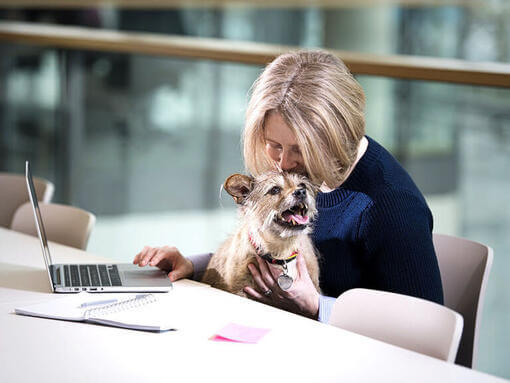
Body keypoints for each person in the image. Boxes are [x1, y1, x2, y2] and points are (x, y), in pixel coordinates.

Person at [133, 50, 444, 323]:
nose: (282, 163)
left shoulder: (393, 206)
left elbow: (426, 330)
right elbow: (274, 258)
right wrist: (193, 266)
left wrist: (318, 306)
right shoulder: (302, 180)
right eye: (273, 145)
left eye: (298, 148)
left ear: (334, 137)